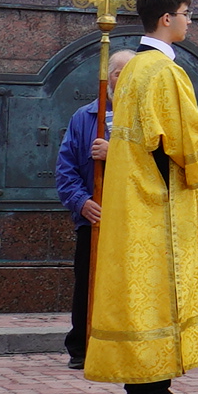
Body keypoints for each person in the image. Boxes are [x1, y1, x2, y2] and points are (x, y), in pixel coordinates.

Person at [83, 0, 198, 394]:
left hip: (134, 193)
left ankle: (143, 387)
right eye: (187, 13)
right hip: (158, 199)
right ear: (166, 18)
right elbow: (177, 137)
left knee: (140, 290)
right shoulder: (165, 71)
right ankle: (152, 392)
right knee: (161, 288)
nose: (189, 21)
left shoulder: (132, 69)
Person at [55, 49, 135, 370]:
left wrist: (115, 151)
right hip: (95, 218)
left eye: (130, 73)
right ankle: (81, 346)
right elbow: (66, 169)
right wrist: (81, 202)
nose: (123, 79)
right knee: (86, 281)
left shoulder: (144, 119)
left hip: (132, 220)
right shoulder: (84, 117)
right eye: (118, 72)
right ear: (108, 78)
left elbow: (152, 164)